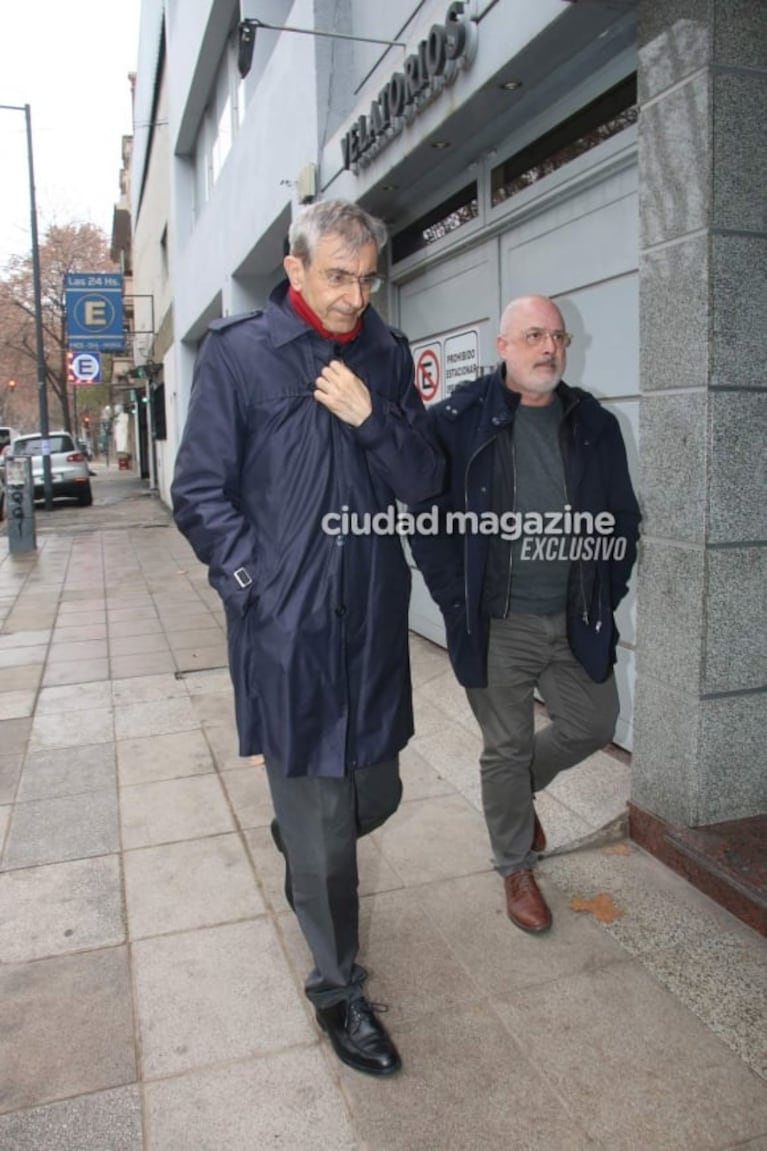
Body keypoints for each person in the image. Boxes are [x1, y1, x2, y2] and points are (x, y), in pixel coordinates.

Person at [171, 199, 444, 1076]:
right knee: (325, 826)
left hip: (369, 623)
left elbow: (421, 486)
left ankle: (306, 844)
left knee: (376, 793)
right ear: (293, 269)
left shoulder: (386, 354)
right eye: (336, 275)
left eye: (365, 279)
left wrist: (372, 416)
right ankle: (338, 990)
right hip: (285, 633)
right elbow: (200, 492)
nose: (352, 296)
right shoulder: (238, 354)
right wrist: (256, 590)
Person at [409, 295, 640, 934]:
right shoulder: (455, 421)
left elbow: (621, 518)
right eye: (535, 335)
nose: (550, 348)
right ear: (503, 346)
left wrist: (604, 590)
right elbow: (426, 520)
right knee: (505, 746)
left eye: (559, 337)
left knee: (595, 722)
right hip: (498, 621)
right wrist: (456, 599)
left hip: (572, 617)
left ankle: (513, 795)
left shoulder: (593, 423)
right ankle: (515, 864)